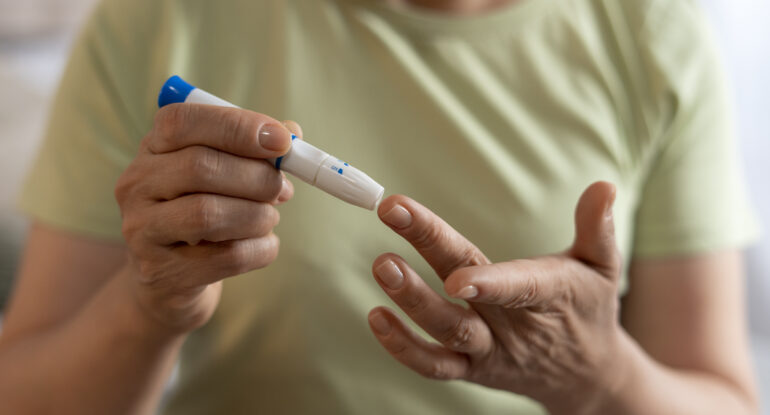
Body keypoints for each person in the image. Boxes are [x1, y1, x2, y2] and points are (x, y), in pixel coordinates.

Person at [0, 0, 760, 413]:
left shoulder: (652, 34)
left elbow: (722, 395)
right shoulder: (160, 20)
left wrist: (599, 378)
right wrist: (150, 306)